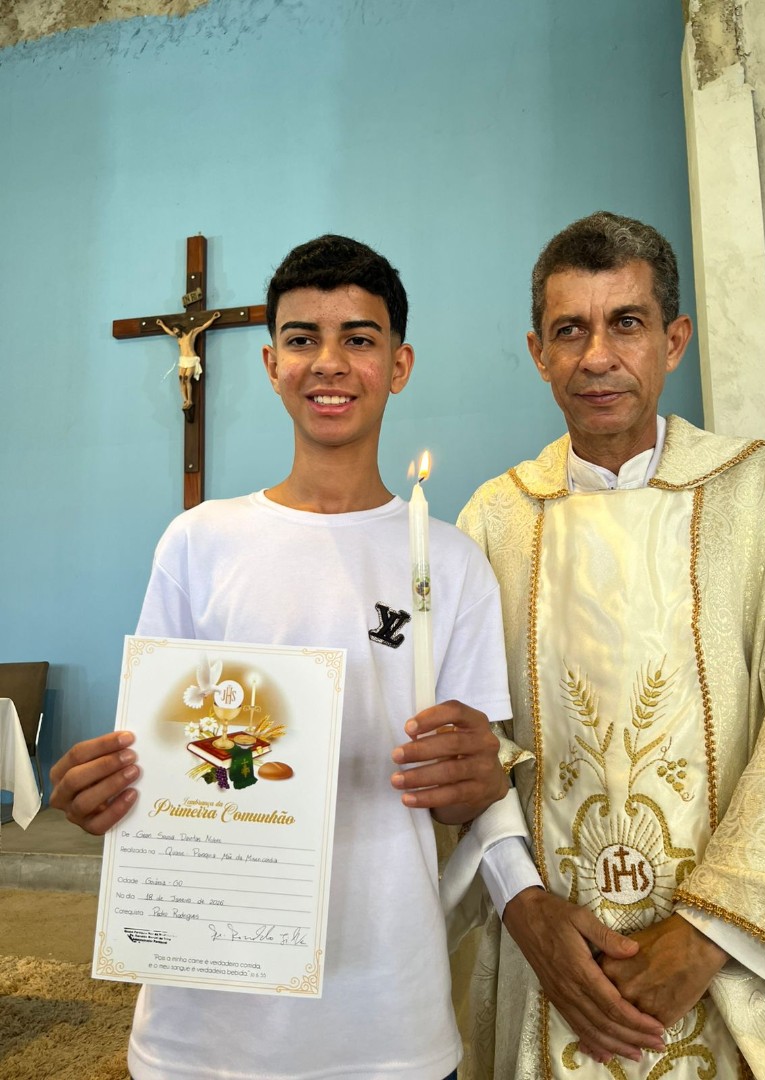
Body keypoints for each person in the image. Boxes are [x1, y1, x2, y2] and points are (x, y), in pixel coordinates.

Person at [50, 234, 525, 1080]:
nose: (329, 362)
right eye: (303, 338)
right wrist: (104, 788)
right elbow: (159, 762)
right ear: (271, 364)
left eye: (359, 338)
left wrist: (477, 778)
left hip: (387, 1020)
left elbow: (469, 787)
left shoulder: (452, 565)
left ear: (400, 364)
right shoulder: (199, 542)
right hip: (205, 1019)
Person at [453, 211, 765, 1078]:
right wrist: (525, 908)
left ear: (673, 340)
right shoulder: (495, 521)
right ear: (538, 352)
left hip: (728, 971)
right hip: (552, 965)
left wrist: (710, 933)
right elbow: (464, 745)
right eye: (569, 330)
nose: (597, 357)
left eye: (626, 323)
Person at [156, 309, 221, 411]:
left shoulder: (191, 334)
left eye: (175, 330)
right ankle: (185, 400)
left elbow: (203, 326)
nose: (174, 332)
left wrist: (213, 318)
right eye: (174, 330)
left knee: (186, 378)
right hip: (183, 360)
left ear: (180, 329)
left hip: (191, 359)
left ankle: (190, 400)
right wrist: (161, 325)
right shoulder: (178, 338)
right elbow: (169, 332)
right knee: (181, 379)